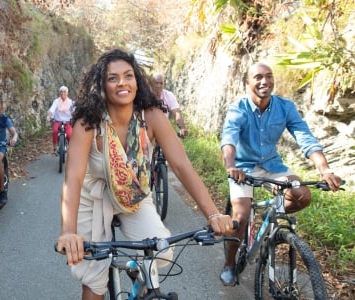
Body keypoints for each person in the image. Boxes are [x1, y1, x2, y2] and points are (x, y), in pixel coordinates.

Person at [55, 48, 235, 300]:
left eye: (128, 76)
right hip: (93, 198)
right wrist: (68, 231)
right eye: (113, 78)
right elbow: (73, 178)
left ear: (137, 81)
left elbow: (182, 165)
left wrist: (213, 213)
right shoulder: (88, 122)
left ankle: (136, 277)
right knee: (94, 279)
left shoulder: (152, 117)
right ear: (102, 85)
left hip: (135, 194)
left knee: (160, 251)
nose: (122, 83)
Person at [219, 62, 343, 286]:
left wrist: (325, 169)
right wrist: (230, 165)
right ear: (248, 82)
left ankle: (269, 219)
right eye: (257, 77)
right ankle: (229, 264)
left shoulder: (285, 107)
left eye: (268, 76)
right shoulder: (239, 108)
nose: (264, 81)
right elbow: (229, 138)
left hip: (273, 166)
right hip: (242, 168)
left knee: (302, 195)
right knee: (241, 217)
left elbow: (305, 137)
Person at [150, 73, 188, 137]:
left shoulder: (169, 95)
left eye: (161, 83)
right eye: (156, 83)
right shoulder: (144, 95)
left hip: (163, 131)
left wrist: (182, 128)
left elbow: (176, 113)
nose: (159, 86)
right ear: (150, 84)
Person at [47, 86, 74, 155]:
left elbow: (74, 111)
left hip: (67, 122)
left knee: (69, 135)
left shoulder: (71, 102)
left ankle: (70, 148)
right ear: (59, 93)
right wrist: (49, 116)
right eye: (61, 92)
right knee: (55, 132)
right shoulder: (56, 101)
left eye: (64, 92)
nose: (62, 93)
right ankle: (54, 149)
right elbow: (52, 109)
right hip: (58, 121)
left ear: (67, 93)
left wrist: (75, 117)